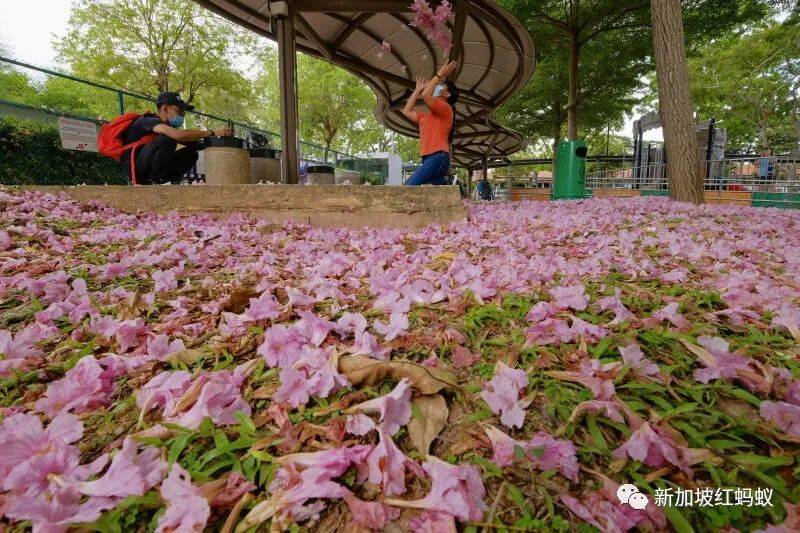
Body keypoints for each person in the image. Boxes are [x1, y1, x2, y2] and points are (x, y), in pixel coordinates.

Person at [120, 92, 232, 184]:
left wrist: (218, 141)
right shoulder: (147, 121)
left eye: (183, 113)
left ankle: (168, 180)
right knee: (168, 138)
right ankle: (153, 181)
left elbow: (189, 141)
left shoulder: (167, 128)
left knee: (191, 151)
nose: (182, 116)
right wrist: (212, 132)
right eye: (179, 111)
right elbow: (178, 135)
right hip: (136, 169)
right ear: (164, 108)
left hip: (150, 165)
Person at [402, 60, 460, 186]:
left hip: (438, 158)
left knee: (409, 186)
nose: (438, 85)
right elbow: (406, 111)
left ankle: (447, 182)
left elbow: (426, 95)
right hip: (429, 159)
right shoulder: (427, 117)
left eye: (441, 85)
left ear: (447, 93)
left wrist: (440, 74)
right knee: (440, 195)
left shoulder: (447, 109)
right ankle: (447, 183)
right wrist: (417, 89)